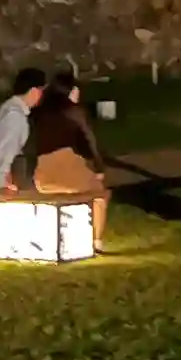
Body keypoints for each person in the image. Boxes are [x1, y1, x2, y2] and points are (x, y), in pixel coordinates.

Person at [30, 70, 111, 251]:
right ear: (72, 90)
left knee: (78, 185)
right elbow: (90, 140)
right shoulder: (74, 111)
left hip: (42, 177)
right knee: (100, 194)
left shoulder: (39, 112)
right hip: (66, 170)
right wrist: (99, 168)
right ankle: (96, 241)